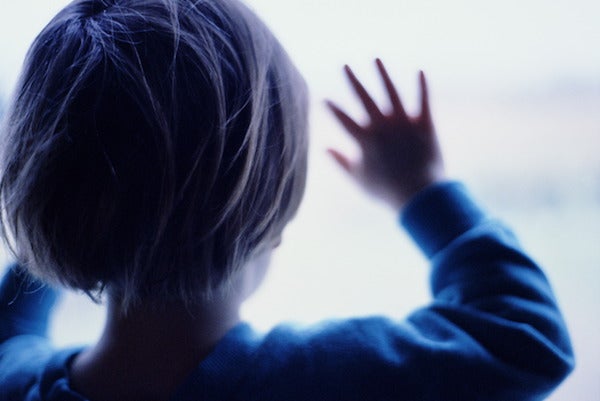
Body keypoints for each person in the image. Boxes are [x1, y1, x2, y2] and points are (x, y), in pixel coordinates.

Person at [0, 0, 573, 400]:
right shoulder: (325, 382)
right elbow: (525, 340)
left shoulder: (18, 383)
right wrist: (422, 190)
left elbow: (11, 331)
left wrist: (75, 200)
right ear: (274, 211)